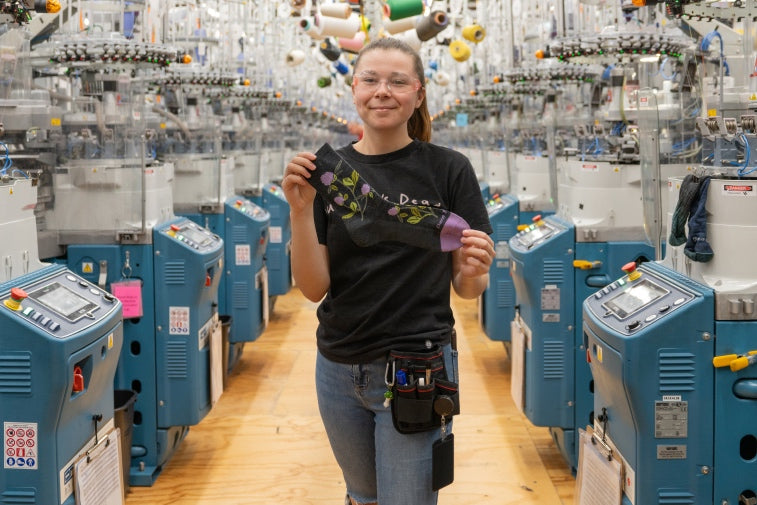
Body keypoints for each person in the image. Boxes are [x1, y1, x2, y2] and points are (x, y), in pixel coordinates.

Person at [281, 37, 494, 505]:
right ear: (354, 88)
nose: (383, 91)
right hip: (337, 367)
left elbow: (469, 288)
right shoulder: (329, 174)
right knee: (362, 495)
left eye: (398, 81)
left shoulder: (449, 170)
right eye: (371, 79)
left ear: (418, 93)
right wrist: (300, 212)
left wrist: (476, 267)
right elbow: (314, 289)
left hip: (416, 367)